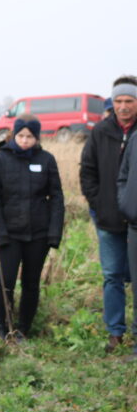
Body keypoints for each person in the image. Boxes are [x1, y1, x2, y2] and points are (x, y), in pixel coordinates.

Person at [0, 118, 64, 340]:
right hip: (9, 234)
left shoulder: (46, 160)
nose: (24, 141)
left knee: (31, 283)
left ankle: (23, 329)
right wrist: (0, 232)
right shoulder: (1, 159)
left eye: (29, 137)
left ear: (37, 138)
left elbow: (57, 197)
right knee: (6, 282)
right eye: (21, 136)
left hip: (38, 234)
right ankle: (3, 328)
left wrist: (54, 233)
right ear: (14, 135)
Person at [80, 76, 137, 353]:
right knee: (112, 275)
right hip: (108, 219)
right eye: (118, 101)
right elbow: (87, 171)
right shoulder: (100, 132)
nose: (123, 106)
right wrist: (98, 204)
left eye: (129, 101)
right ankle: (115, 332)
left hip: (136, 219)